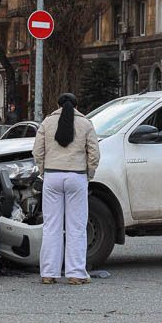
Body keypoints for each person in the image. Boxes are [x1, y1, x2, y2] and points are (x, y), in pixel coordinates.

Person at [33, 93, 100, 285]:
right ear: (77, 106)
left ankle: (48, 272)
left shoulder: (47, 122)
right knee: (77, 227)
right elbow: (94, 153)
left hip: (52, 176)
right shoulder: (86, 123)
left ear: (57, 105)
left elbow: (37, 151)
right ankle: (76, 273)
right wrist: (89, 174)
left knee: (51, 226)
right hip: (77, 176)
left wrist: (43, 171)